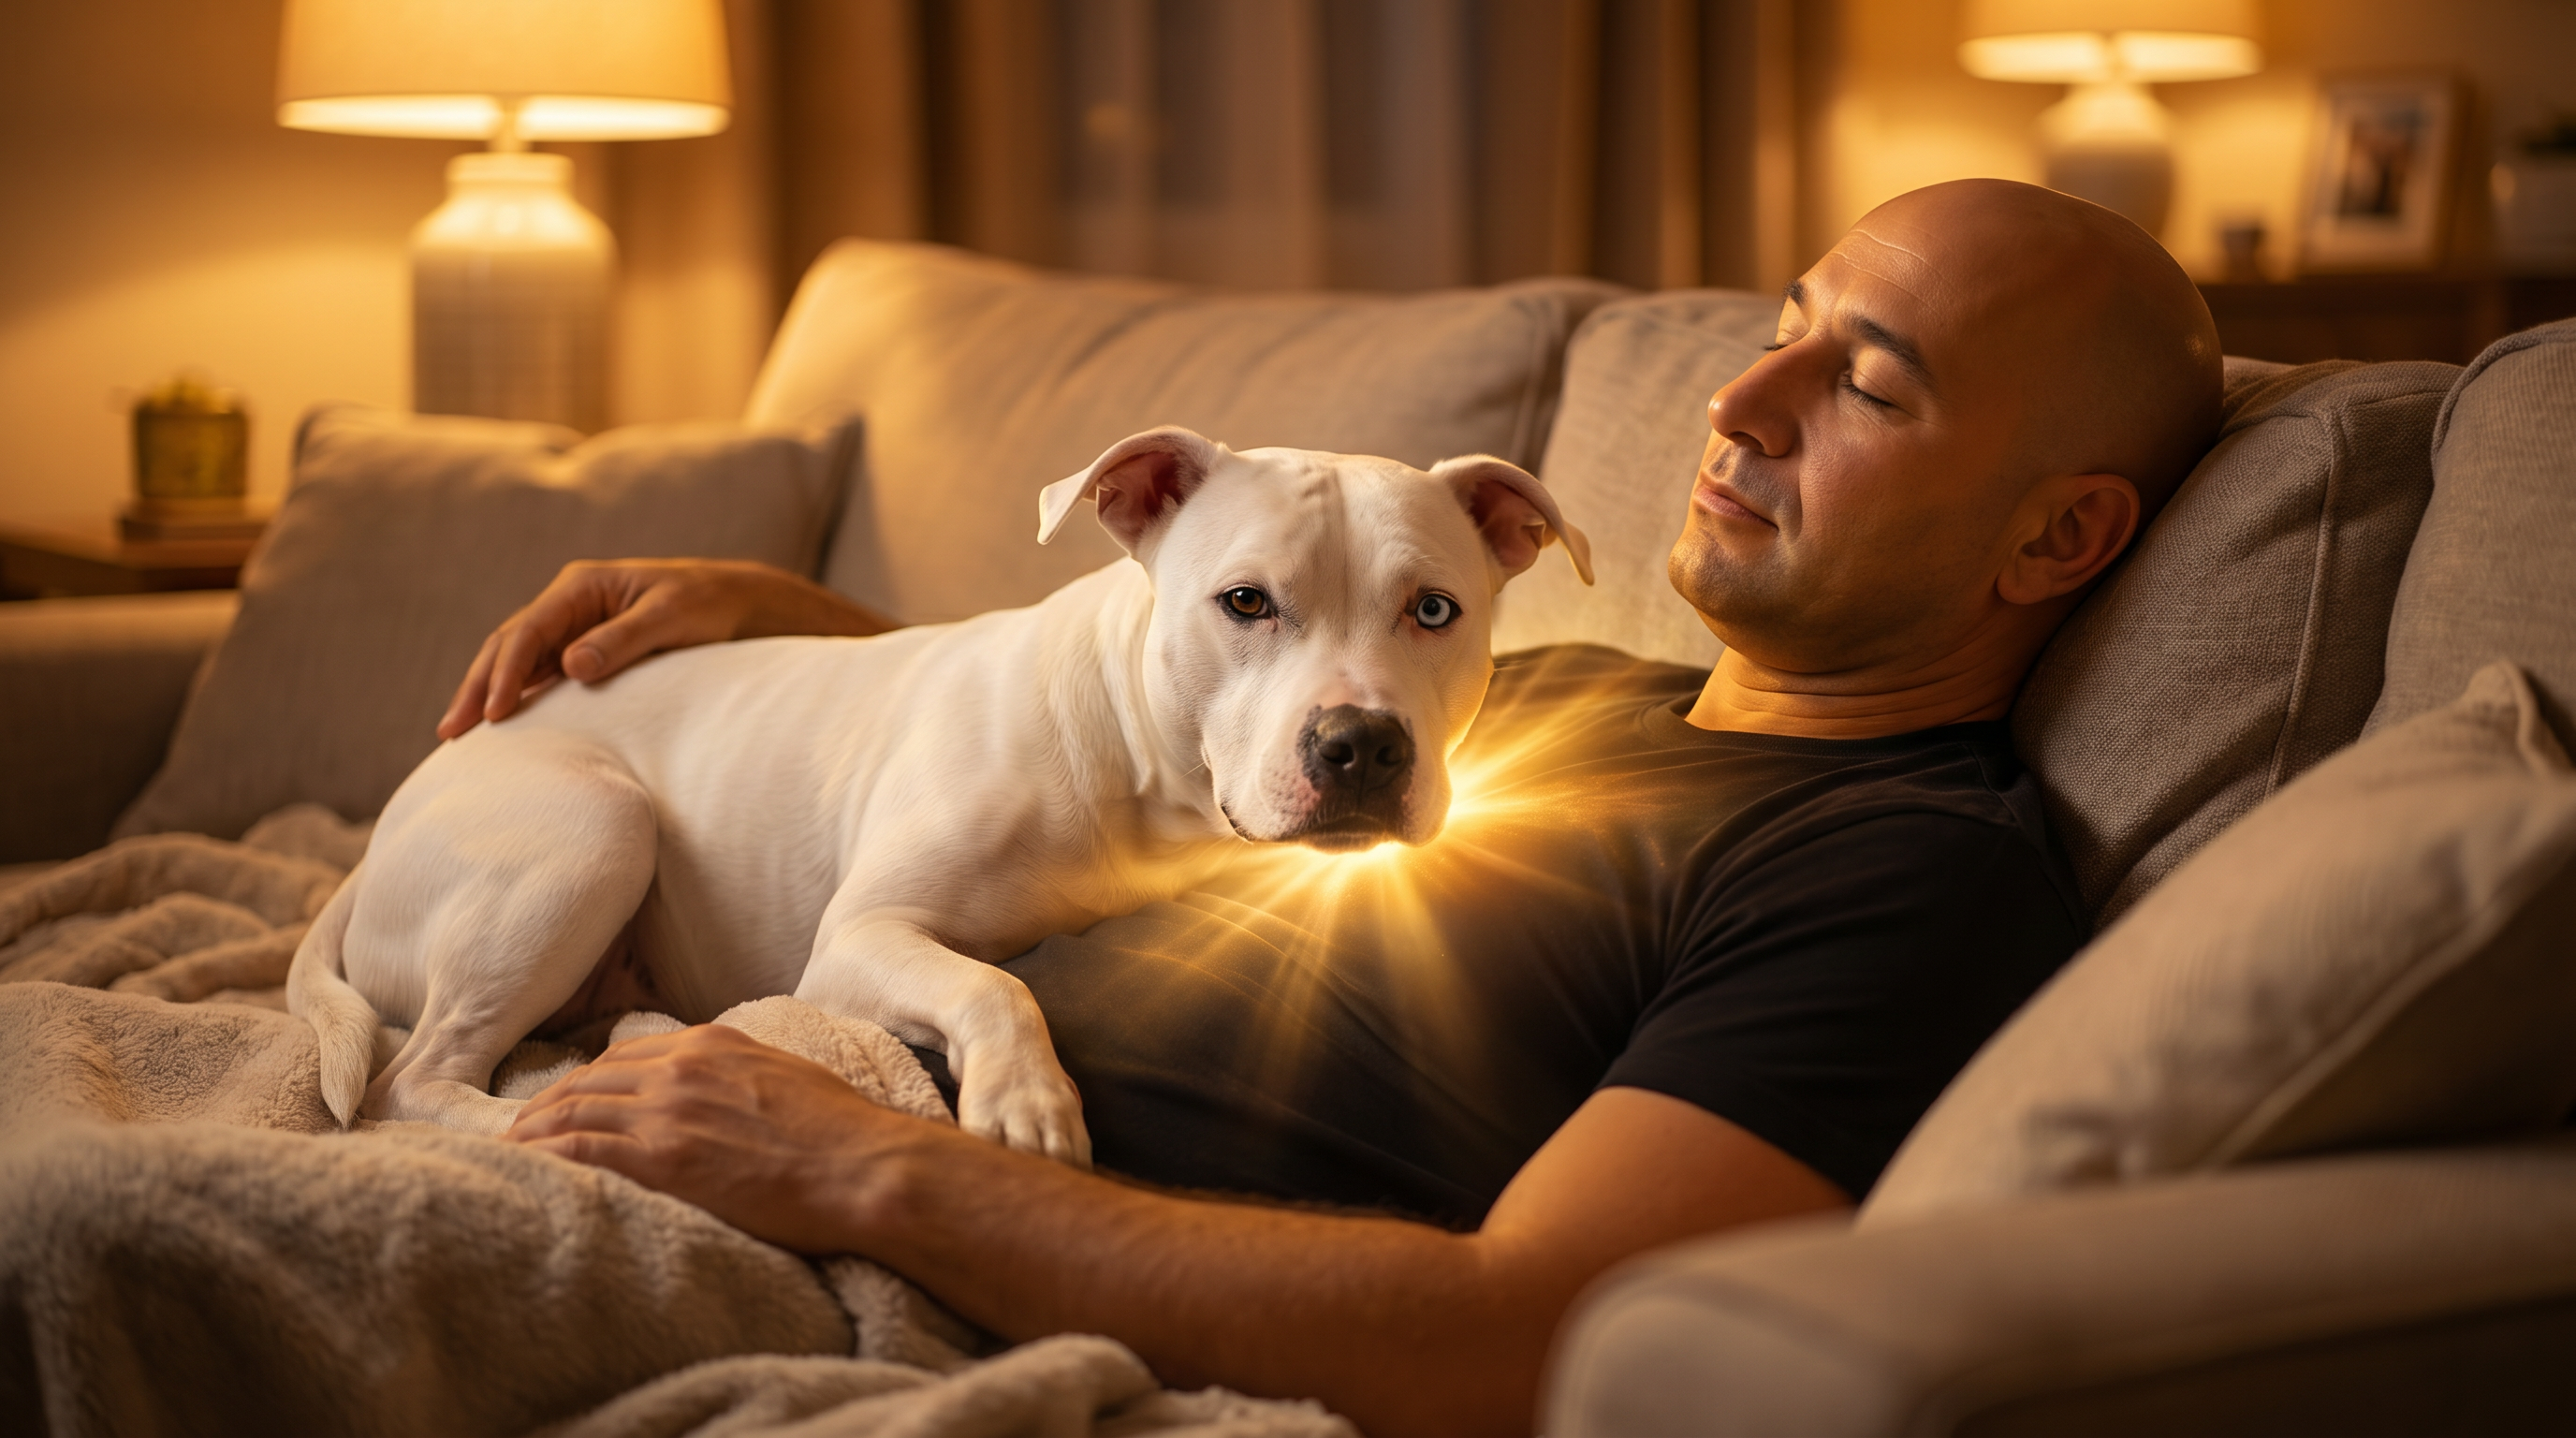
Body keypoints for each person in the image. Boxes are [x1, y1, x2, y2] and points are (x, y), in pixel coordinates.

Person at [459, 179, 2223, 1436]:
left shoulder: (1895, 873)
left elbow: (1535, 1342)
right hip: (776, 1091)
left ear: (2058, 536)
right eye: (1784, 329)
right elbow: (1194, 712)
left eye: (1866, 381)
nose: (1738, 400)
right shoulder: (1536, 700)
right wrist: (781, 631)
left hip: (896, 1229)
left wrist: (862, 1172)